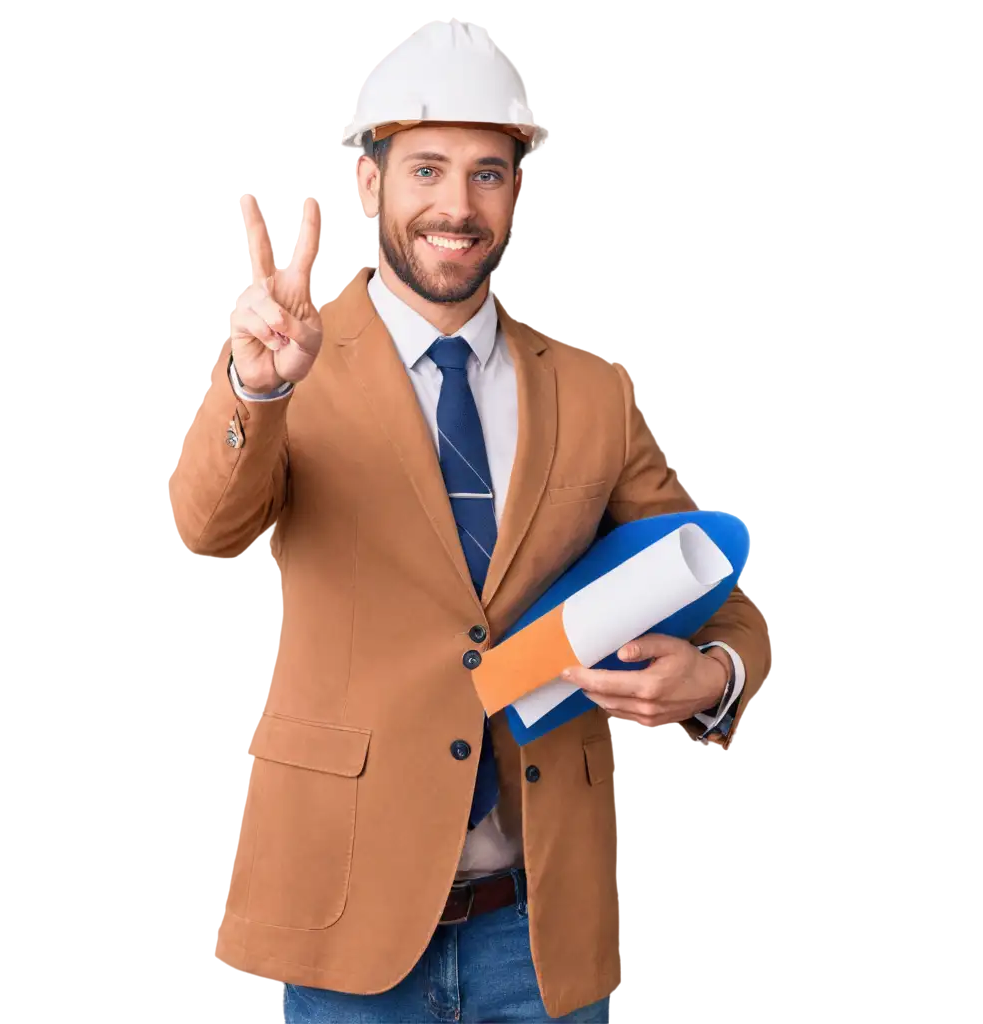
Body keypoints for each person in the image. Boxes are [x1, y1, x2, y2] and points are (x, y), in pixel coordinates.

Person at [166, 17, 770, 1024]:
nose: (457, 205)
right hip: (350, 922)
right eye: (427, 170)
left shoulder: (593, 392)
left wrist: (711, 677)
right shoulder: (292, 361)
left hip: (538, 932)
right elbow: (205, 524)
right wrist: (253, 388)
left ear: (517, 191)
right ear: (369, 183)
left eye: (488, 173)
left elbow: (714, 589)